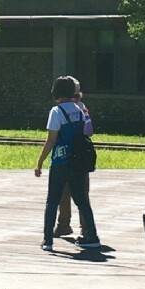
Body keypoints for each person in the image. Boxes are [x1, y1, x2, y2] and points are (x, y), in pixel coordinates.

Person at [33, 76, 100, 252]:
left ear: (56, 92)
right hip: (78, 161)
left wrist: (40, 162)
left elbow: (51, 140)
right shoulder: (80, 109)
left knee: (52, 201)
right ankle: (91, 236)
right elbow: (87, 131)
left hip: (60, 162)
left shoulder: (56, 112)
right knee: (82, 201)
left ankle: (48, 240)